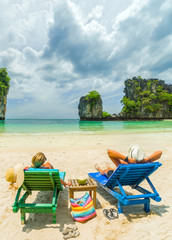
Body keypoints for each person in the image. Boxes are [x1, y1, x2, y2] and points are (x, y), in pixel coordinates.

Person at [95, 145, 162, 178]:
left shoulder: (126, 163)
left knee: (107, 171)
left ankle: (101, 170)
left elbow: (109, 152)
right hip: (134, 178)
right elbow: (159, 152)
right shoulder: (146, 163)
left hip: (120, 179)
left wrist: (127, 159)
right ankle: (109, 167)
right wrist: (146, 159)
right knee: (117, 168)